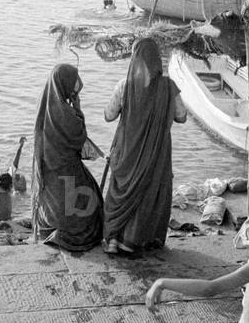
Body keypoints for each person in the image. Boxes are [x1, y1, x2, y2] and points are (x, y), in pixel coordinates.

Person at [103, 37, 186, 255]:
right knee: (150, 193)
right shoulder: (169, 87)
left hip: (126, 152)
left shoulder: (124, 86)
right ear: (157, 60)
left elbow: (108, 115)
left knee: (121, 191)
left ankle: (113, 240)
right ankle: (135, 241)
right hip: (156, 152)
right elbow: (182, 116)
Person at [31, 63, 103, 251]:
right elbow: (79, 137)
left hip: (48, 171)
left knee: (57, 202)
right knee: (90, 202)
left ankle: (51, 226)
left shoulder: (44, 108)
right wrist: (78, 109)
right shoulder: (66, 113)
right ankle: (69, 231)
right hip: (66, 170)